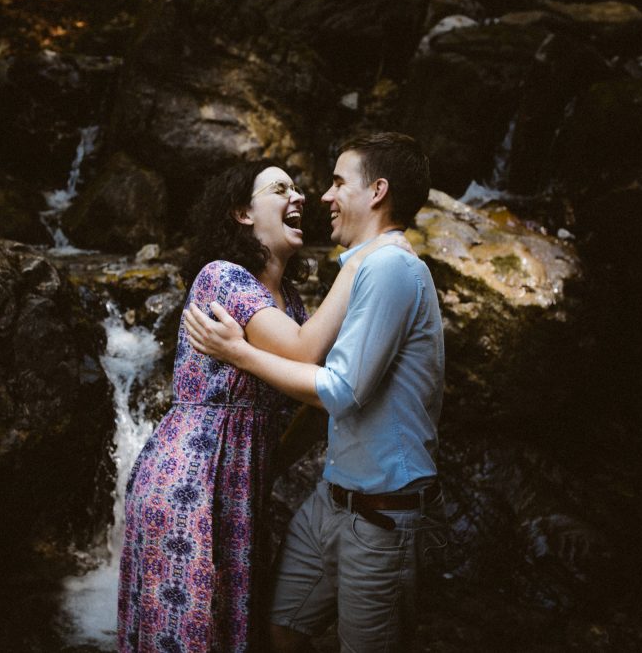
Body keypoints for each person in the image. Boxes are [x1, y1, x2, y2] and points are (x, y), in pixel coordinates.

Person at [117, 159, 411, 653]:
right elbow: (301, 353)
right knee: (187, 632)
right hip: (189, 480)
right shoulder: (223, 278)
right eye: (280, 189)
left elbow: (318, 390)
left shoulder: (291, 302)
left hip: (241, 485)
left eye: (297, 189)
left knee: (233, 633)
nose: (298, 198)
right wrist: (364, 258)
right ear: (242, 213)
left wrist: (271, 461)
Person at [184, 132, 446, 652]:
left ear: (377, 191)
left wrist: (239, 354)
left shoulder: (391, 267)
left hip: (382, 513)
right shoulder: (362, 267)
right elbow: (319, 384)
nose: (323, 197)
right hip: (331, 501)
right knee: (280, 628)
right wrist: (274, 461)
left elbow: (340, 390)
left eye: (337, 183)